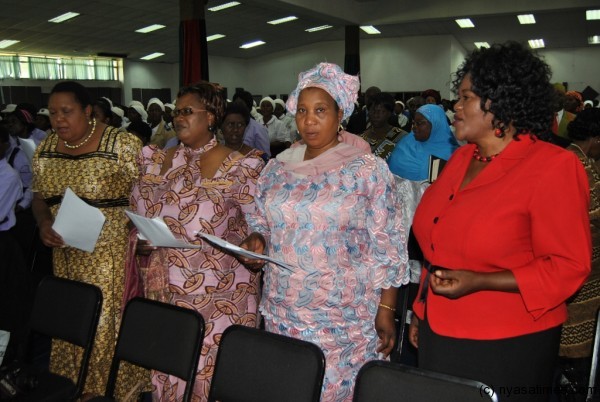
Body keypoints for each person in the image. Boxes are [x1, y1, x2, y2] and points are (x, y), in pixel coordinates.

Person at [407, 42, 591, 402]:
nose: (455, 108)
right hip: (439, 328)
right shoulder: (461, 160)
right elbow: (436, 243)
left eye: (466, 98)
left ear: (501, 104)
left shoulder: (553, 166)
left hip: (508, 339)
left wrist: (483, 281)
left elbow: (569, 266)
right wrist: (420, 309)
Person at [239, 62, 408, 401]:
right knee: (291, 390)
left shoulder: (366, 171)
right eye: (302, 110)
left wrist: (387, 310)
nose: (309, 120)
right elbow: (260, 218)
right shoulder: (278, 167)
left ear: (340, 113)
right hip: (283, 308)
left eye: (320, 110)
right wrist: (258, 239)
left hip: (343, 316)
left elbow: (387, 244)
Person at [129, 81, 265, 400]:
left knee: (208, 381)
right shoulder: (156, 160)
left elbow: (260, 224)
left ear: (212, 116)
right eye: (176, 111)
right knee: (169, 371)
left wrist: (257, 241)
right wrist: (141, 239)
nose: (179, 117)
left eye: (188, 111)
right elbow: (135, 216)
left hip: (220, 297)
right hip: (165, 293)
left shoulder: (240, 166)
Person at [31, 81, 148, 400]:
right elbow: (39, 197)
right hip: (66, 254)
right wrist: (43, 222)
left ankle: (107, 392)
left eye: (67, 112)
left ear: (88, 111)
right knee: (72, 322)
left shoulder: (121, 145)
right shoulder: (46, 149)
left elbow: (149, 197)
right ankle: (74, 387)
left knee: (103, 327)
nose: (58, 120)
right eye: (54, 113)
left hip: (110, 257)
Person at [557, 108, 600, 398]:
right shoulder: (575, 163)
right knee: (576, 334)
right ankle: (571, 385)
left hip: (587, 262)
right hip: (580, 262)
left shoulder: (582, 159)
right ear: (595, 138)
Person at [387, 104, 459, 181]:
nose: (414, 127)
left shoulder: (451, 153)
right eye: (413, 123)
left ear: (435, 123)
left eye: (419, 123)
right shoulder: (407, 141)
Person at [360, 92, 408, 160]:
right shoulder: (360, 139)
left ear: (390, 113)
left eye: (380, 111)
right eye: (373, 111)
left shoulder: (401, 137)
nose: (376, 115)